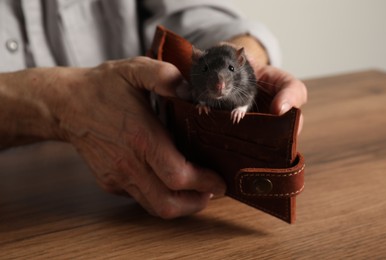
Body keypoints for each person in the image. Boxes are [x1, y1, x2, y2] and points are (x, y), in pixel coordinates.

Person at [0, 0, 307, 219]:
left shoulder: (234, 74)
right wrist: (62, 103)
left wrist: (247, 50)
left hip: (127, 200)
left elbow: (197, 14)